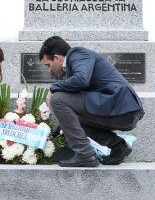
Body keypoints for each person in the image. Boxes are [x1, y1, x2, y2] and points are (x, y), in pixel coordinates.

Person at [39, 36, 144, 167]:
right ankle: (118, 146)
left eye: (48, 65)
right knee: (72, 117)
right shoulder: (74, 64)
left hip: (121, 106)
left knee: (57, 98)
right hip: (121, 110)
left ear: (57, 58)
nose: (49, 71)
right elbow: (72, 115)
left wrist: (52, 88)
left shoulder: (77, 54)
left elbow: (82, 79)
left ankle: (85, 154)